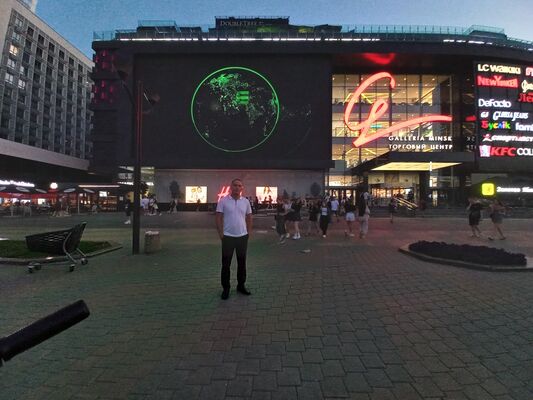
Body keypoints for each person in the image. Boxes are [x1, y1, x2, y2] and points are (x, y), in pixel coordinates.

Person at [215, 178, 253, 300]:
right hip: (228, 237)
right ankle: (226, 288)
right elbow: (218, 217)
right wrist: (221, 233)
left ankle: (241, 286)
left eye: (239, 185)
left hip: (242, 237)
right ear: (231, 187)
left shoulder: (245, 202)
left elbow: (249, 217)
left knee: (242, 263)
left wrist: (248, 233)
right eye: (235, 185)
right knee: (226, 264)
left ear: (242, 188)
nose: (237, 187)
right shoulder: (223, 201)